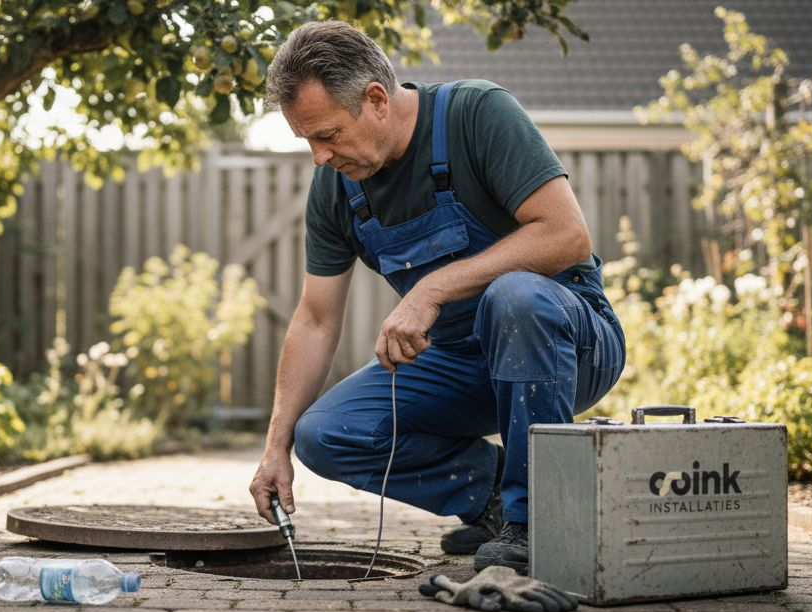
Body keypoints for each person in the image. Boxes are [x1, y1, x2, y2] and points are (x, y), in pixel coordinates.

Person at [247, 21, 626, 574]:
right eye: (307, 140)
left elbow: (567, 234)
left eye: (327, 135)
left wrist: (435, 286)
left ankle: (542, 520)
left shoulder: (476, 114)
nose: (319, 157)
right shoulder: (335, 187)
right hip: (460, 361)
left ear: (376, 99)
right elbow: (315, 320)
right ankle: (500, 502)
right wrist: (275, 446)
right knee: (324, 434)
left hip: (569, 341)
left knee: (515, 297)